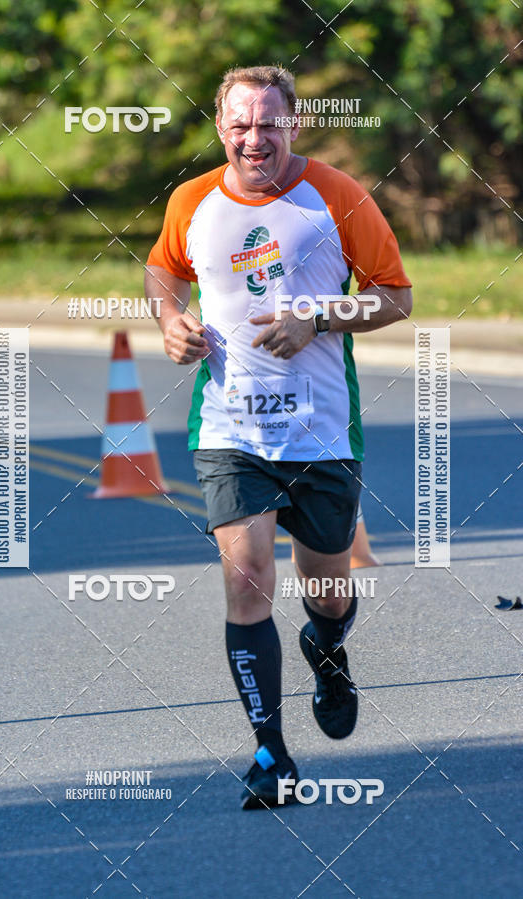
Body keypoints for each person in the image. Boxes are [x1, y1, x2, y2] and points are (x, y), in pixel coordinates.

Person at [145, 65, 412, 810]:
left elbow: (395, 298)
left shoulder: (337, 196)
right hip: (231, 427)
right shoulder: (191, 200)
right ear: (220, 125)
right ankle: (271, 752)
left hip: (322, 429)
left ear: (293, 124)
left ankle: (327, 651)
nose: (253, 138)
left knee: (326, 591)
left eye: (269, 123)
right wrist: (170, 319)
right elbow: (162, 271)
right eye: (239, 124)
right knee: (247, 577)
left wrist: (319, 318)